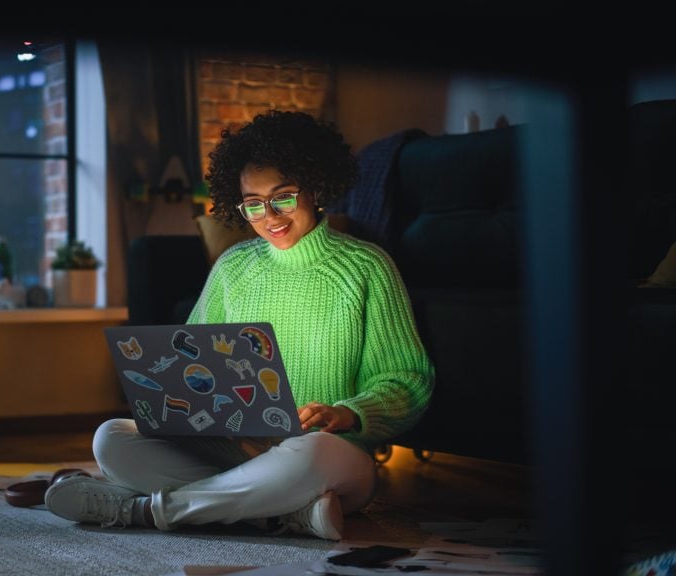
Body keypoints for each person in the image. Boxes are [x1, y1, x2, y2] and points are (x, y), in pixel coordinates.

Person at [45, 110, 434, 540]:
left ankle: (146, 511)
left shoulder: (367, 268)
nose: (270, 216)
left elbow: (407, 380)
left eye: (283, 196)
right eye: (253, 204)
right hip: (235, 451)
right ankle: (285, 514)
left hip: (326, 455)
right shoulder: (232, 268)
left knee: (311, 454)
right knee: (111, 439)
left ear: (316, 187)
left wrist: (348, 412)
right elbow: (187, 364)